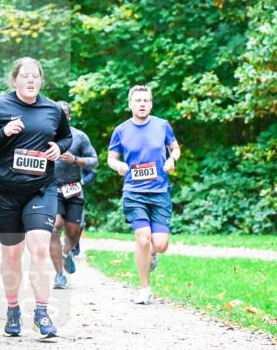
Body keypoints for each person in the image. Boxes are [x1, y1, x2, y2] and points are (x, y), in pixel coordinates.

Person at [0, 57, 72, 339]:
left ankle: (42, 313)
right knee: (12, 254)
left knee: (39, 249)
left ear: (41, 80)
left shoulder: (53, 109)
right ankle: (13, 309)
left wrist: (58, 148)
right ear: (14, 80)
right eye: (25, 76)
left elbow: (66, 138)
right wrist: (2, 132)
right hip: (4, 192)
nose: (30, 80)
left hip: (41, 188)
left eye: (35, 76)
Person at [107, 85, 181, 304]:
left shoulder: (162, 125)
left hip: (159, 192)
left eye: (146, 100)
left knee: (160, 244)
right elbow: (111, 158)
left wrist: (172, 160)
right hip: (134, 192)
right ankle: (145, 288)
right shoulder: (121, 130)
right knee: (142, 238)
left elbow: (175, 149)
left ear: (151, 104)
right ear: (130, 104)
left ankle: (153, 254)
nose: (142, 104)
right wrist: (118, 165)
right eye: (138, 100)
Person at [49, 101, 97, 289]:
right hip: (52, 189)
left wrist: (75, 160)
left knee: (74, 231)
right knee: (54, 227)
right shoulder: (44, 136)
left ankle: (66, 253)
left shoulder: (79, 137)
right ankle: (59, 275)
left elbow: (94, 161)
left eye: (64, 114)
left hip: (74, 189)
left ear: (69, 117)